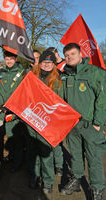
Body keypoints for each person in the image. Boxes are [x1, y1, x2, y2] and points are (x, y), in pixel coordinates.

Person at [60, 43, 106, 200]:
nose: (69, 57)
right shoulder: (65, 75)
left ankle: (97, 189)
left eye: (72, 54)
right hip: (72, 125)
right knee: (76, 156)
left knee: (94, 158)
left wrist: (98, 122)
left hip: (90, 125)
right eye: (66, 55)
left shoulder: (94, 72)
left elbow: (103, 98)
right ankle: (76, 180)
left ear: (80, 55)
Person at [28, 50, 63, 194]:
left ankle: (48, 181)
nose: (47, 65)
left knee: (46, 153)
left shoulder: (58, 80)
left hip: (47, 122)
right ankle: (35, 176)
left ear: (54, 64)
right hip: (31, 119)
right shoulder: (31, 77)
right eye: (44, 62)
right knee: (33, 151)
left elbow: (60, 103)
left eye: (50, 62)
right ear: (40, 63)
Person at [0, 51, 27, 173]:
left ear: (15, 59)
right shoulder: (2, 73)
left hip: (16, 112)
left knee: (16, 139)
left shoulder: (22, 73)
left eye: (11, 59)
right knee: (9, 137)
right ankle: (12, 156)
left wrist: (13, 109)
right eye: (6, 59)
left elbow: (24, 94)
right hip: (3, 111)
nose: (8, 61)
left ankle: (18, 162)